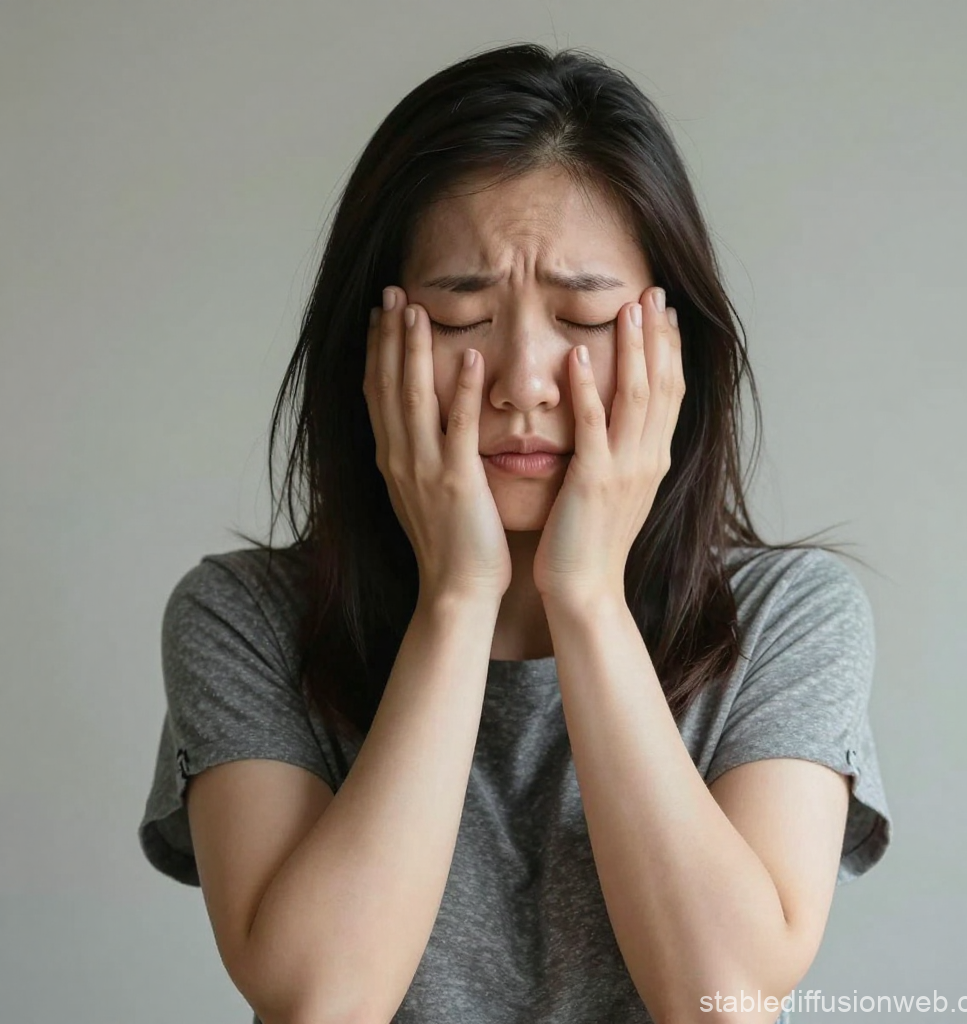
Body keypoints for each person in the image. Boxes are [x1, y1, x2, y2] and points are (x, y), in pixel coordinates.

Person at [138, 42, 893, 1024]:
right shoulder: (242, 617)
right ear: (367, 343)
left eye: (581, 314)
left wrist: (585, 599)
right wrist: (456, 600)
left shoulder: (790, 618)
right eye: (460, 318)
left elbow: (725, 1000)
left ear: (673, 350)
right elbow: (320, 1000)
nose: (523, 380)